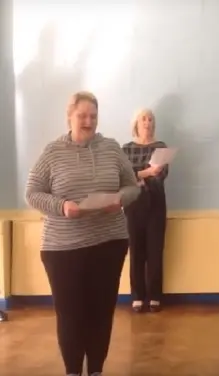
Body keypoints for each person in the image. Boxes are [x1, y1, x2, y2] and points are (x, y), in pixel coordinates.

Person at [24, 91, 140, 376]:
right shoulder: (53, 151)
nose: (88, 121)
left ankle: (97, 370)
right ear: (70, 116)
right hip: (63, 248)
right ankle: (73, 371)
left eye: (93, 116)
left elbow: (133, 186)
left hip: (109, 242)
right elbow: (32, 193)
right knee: (71, 315)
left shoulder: (112, 148)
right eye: (82, 115)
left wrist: (120, 199)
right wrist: (62, 206)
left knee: (101, 312)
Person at [122, 109, 170, 313]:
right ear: (136, 123)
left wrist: (140, 173)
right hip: (133, 202)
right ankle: (137, 296)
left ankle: (154, 296)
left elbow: (161, 173)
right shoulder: (126, 149)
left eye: (151, 119)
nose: (147, 122)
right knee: (136, 250)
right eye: (144, 119)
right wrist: (147, 171)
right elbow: (124, 176)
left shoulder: (160, 147)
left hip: (155, 201)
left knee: (155, 250)